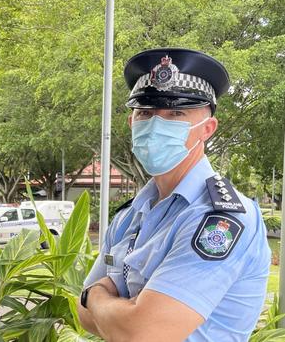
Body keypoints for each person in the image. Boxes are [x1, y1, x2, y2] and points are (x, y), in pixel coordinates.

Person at [77, 48, 270, 341]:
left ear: (207, 129)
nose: (156, 124)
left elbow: (142, 333)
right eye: (145, 112)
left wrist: (97, 296)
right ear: (132, 123)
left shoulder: (221, 219)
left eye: (176, 113)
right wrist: (115, 308)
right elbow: (83, 317)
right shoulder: (130, 216)